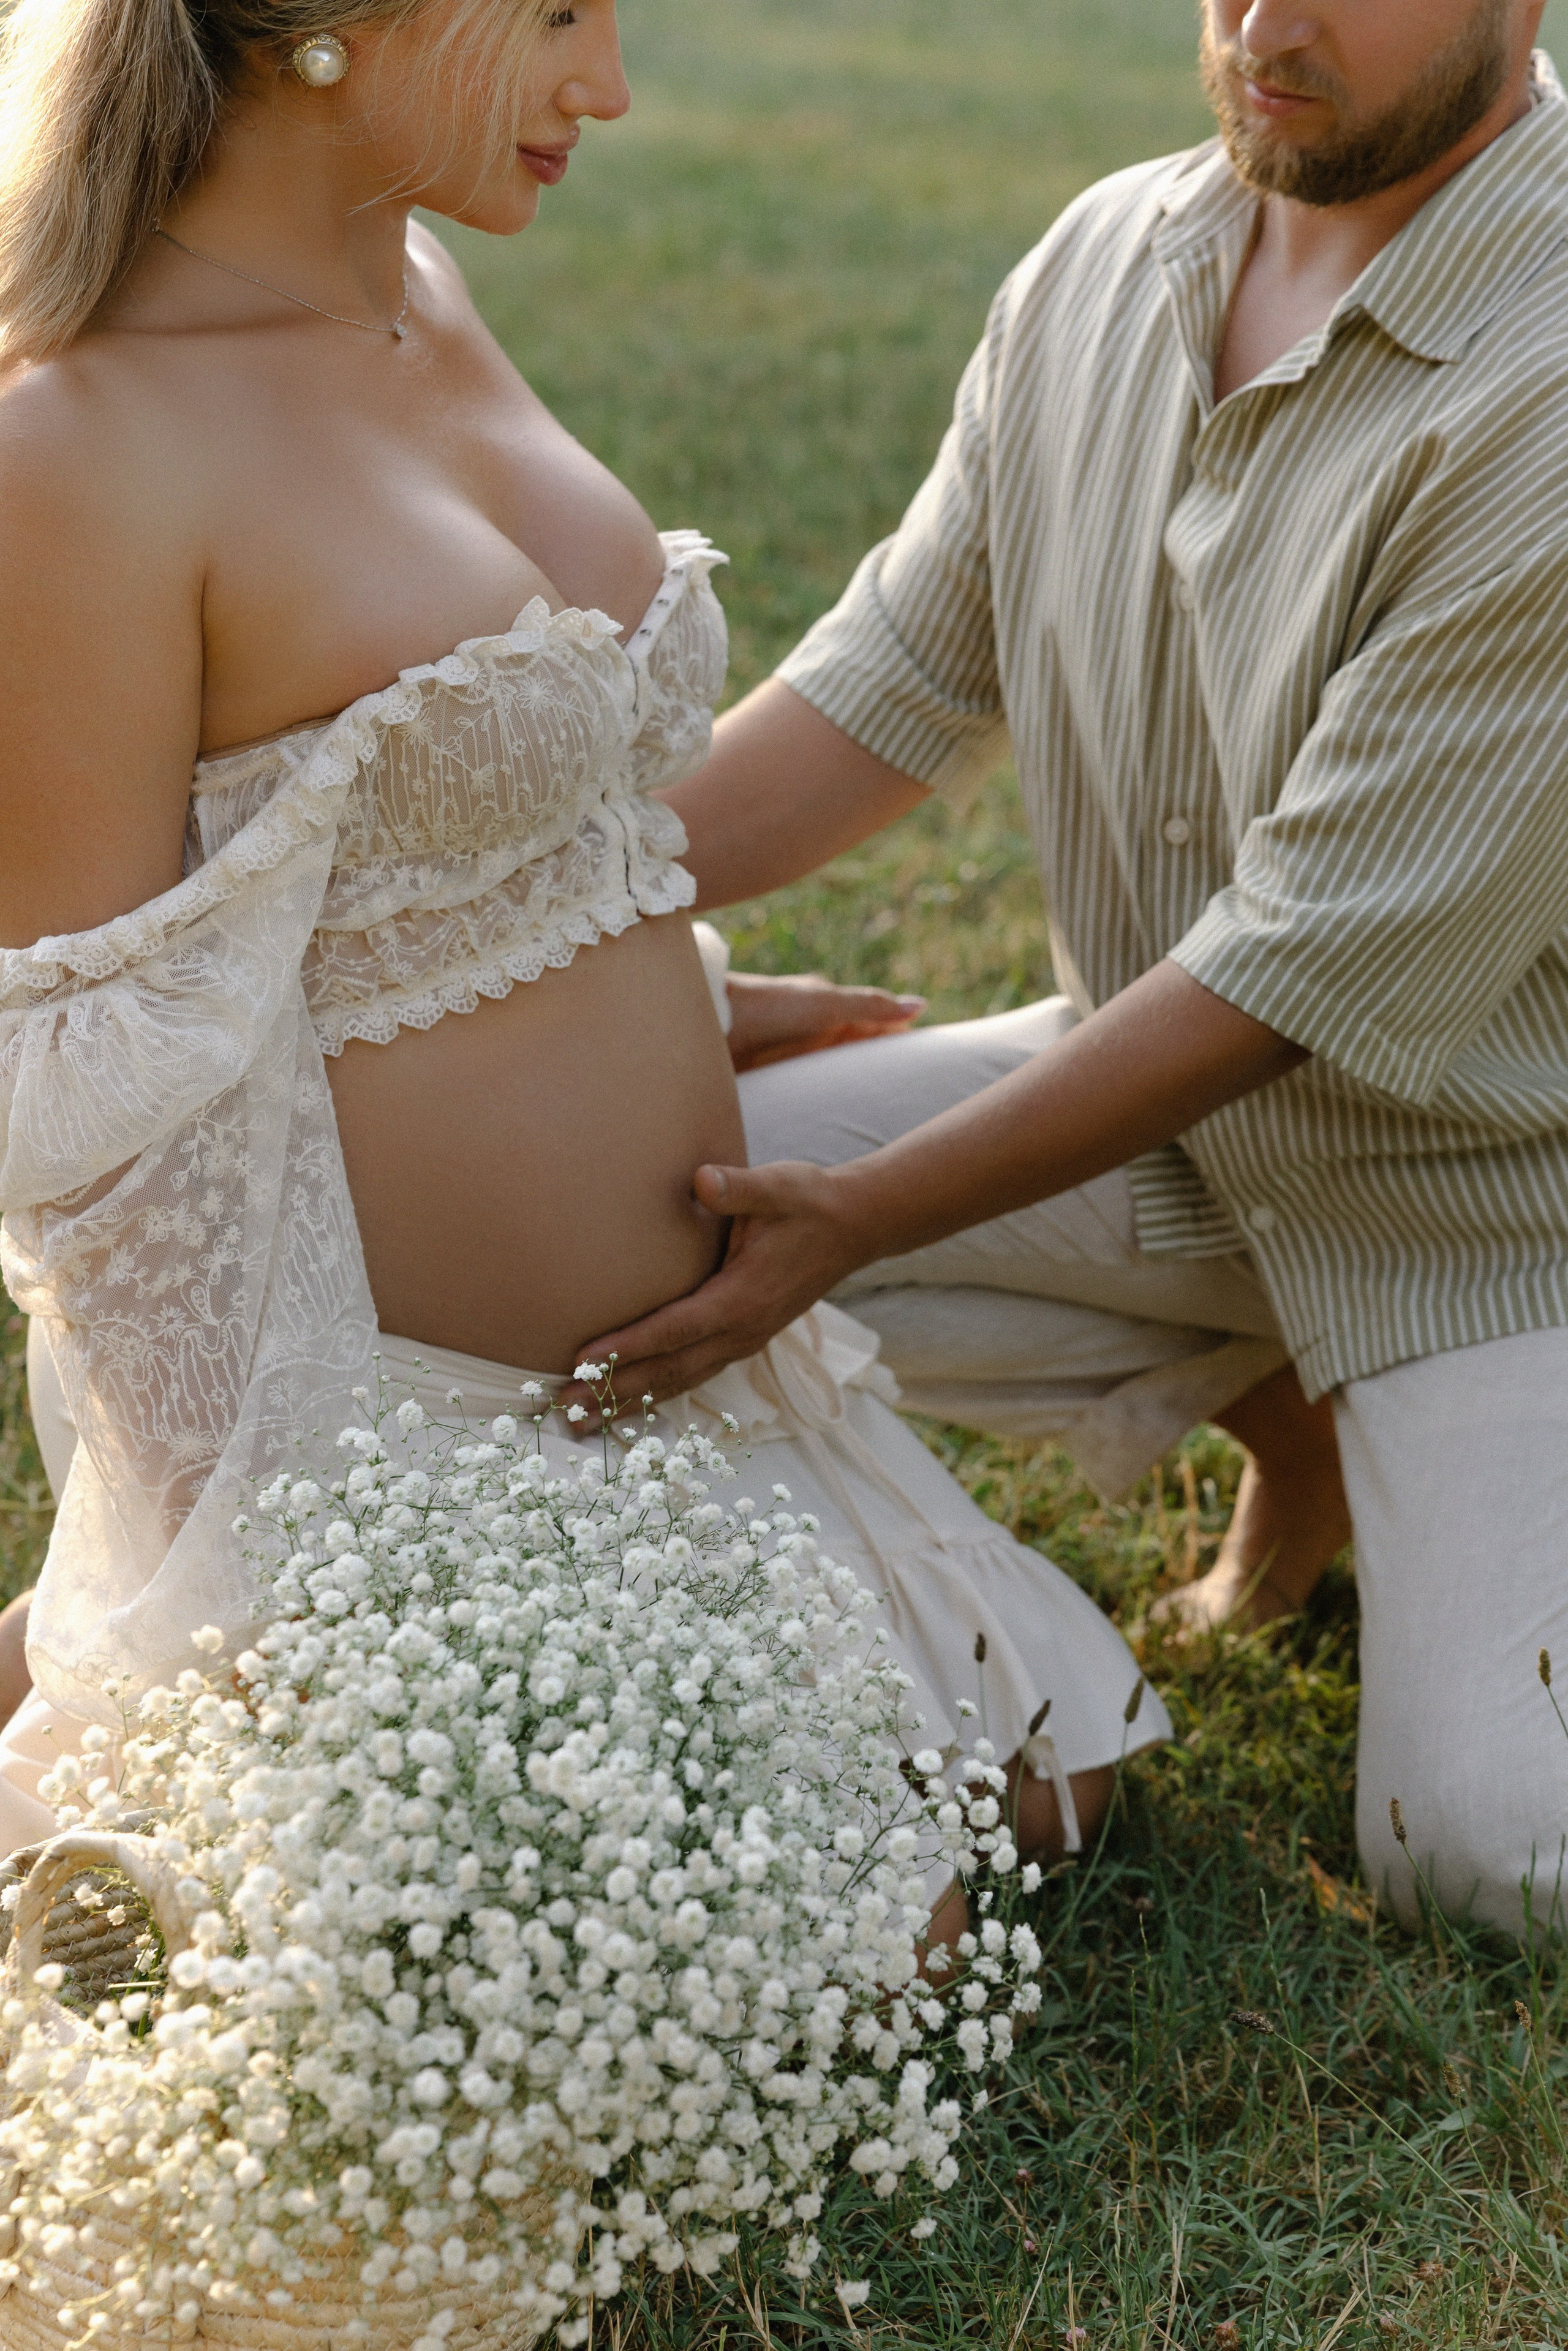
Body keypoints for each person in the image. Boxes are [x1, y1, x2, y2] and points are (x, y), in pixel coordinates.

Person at [0, 0, 1170, 1942]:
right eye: (555, 15)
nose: (607, 86)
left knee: (1056, 1777)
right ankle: (111, 1693)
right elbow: (93, 1110)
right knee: (894, 1947)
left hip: (669, 1390)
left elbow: (431, 830)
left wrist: (657, 987)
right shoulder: (73, 446)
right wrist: (275, 1622)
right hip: (396, 1448)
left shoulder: (421, 282)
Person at [575, 0, 1568, 1938]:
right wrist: (541, 924)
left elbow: (1295, 967)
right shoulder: (1106, 258)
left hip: (1493, 1197)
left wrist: (855, 1215)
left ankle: (1406, 1423)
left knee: (1492, 1862)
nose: (1268, 26)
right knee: (608, 1220)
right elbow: (888, 685)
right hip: (1177, 1134)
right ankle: (1297, 1412)